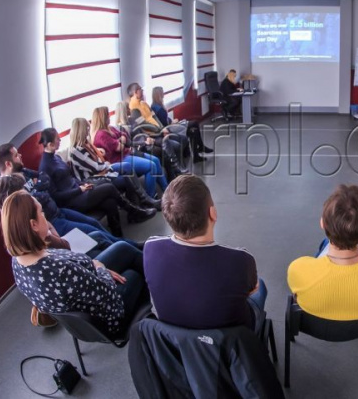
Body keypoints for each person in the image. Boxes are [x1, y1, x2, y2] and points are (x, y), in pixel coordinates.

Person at [2, 190, 148, 336]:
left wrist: (95, 267)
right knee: (132, 271)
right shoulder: (60, 270)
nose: (45, 217)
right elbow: (108, 295)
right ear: (33, 225)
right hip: (110, 317)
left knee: (110, 244)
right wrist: (101, 268)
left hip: (83, 311)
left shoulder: (17, 262)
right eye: (41, 213)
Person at [144, 175, 267, 332]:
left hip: (175, 343)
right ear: (213, 213)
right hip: (230, 346)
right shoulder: (241, 260)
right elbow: (251, 290)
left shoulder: (150, 248)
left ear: (167, 216)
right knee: (260, 285)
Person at [287, 185, 358, 321]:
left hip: (316, 327)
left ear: (322, 224)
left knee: (324, 245)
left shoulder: (298, 268)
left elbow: (297, 297)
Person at [0, 142, 131, 246]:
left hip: (58, 211)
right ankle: (122, 247)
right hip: (51, 222)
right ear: (8, 164)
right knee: (94, 233)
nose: (20, 155)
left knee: (94, 222)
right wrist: (39, 189)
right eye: (17, 155)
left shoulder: (24, 172)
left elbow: (44, 178)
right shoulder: (7, 189)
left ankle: (123, 243)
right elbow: (36, 200)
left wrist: (37, 187)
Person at [38, 127, 149, 237]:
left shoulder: (56, 158)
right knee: (109, 187)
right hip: (72, 201)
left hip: (79, 191)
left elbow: (71, 178)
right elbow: (55, 196)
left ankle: (118, 236)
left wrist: (82, 185)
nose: (60, 140)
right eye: (57, 139)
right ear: (49, 144)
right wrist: (78, 190)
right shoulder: (45, 167)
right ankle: (134, 211)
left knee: (110, 202)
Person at [68, 117, 160, 212]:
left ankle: (144, 200)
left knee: (127, 166)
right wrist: (107, 164)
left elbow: (98, 160)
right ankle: (139, 207)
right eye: (86, 129)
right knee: (128, 178)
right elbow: (96, 167)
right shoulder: (76, 150)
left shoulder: (86, 144)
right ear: (81, 130)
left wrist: (102, 158)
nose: (88, 132)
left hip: (103, 170)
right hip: (93, 178)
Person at [91, 106, 169, 199]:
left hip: (127, 153)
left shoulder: (110, 128)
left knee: (155, 160)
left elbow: (124, 135)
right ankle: (150, 197)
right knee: (151, 166)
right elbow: (119, 148)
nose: (109, 117)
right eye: (107, 115)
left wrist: (121, 139)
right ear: (102, 117)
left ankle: (166, 189)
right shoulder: (101, 135)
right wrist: (121, 141)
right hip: (119, 160)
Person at [127, 83, 212, 163]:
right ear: (135, 92)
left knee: (193, 130)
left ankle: (198, 152)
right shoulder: (134, 108)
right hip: (156, 133)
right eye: (140, 89)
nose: (142, 91)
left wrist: (161, 127)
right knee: (193, 126)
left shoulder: (144, 104)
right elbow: (144, 124)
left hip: (162, 128)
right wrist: (161, 129)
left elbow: (154, 117)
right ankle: (198, 149)